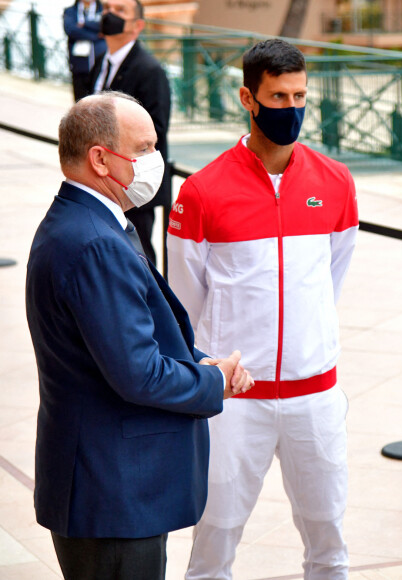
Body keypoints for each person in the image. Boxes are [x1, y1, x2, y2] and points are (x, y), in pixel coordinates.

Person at [25, 92, 253, 580]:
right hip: (113, 492)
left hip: (107, 485)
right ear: (100, 159)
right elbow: (138, 373)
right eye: (145, 148)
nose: (156, 160)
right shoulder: (94, 243)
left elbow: (133, 338)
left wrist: (202, 363)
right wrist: (214, 383)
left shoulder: (89, 224)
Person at [167, 38, 359, 579]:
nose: (292, 109)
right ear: (248, 99)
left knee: (330, 542)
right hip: (235, 400)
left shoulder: (336, 183)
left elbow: (330, 277)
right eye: (278, 97)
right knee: (214, 543)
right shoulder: (202, 192)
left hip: (315, 396)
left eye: (301, 96)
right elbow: (186, 300)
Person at [91, 0, 171, 266]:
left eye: (119, 11)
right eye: (106, 9)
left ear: (137, 26)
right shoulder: (100, 61)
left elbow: (157, 131)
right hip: (102, 179)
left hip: (132, 185)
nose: (109, 15)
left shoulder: (149, 70)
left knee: (140, 257)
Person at [64, 0, 107, 101]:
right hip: (79, 64)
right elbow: (71, 30)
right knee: (80, 101)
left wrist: (84, 24)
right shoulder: (70, 11)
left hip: (99, 64)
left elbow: (104, 26)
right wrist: (96, 36)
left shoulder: (103, 10)